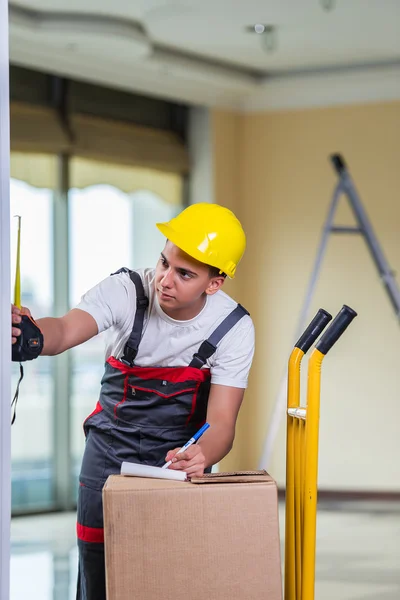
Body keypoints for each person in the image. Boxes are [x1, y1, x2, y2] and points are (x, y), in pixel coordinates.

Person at [11, 202, 255, 600]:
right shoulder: (126, 290)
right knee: (97, 566)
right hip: (107, 454)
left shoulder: (233, 328)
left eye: (184, 274)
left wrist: (202, 455)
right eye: (164, 262)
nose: (164, 280)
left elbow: (223, 422)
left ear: (215, 283)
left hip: (176, 462)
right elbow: (66, 329)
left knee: (170, 572)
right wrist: (34, 337)